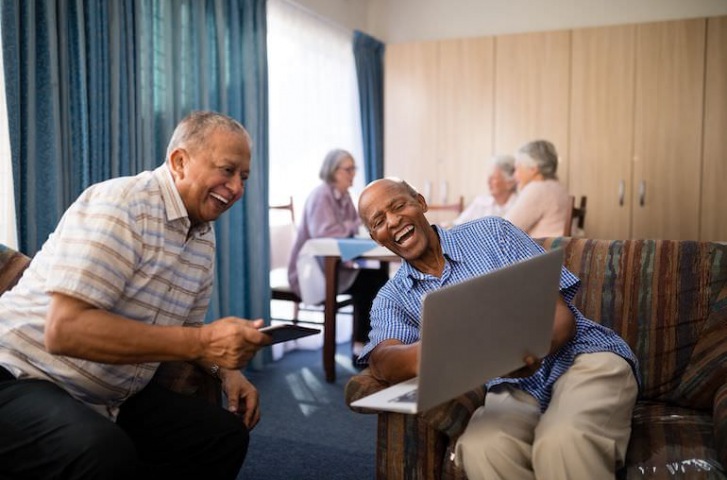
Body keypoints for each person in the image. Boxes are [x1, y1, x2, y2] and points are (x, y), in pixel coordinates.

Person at [0, 111, 272, 479]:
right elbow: (64, 331)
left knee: (222, 436)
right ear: (179, 162)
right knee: (101, 452)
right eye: (227, 170)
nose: (237, 188)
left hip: (110, 396)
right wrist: (202, 342)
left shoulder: (203, 239)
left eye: (243, 177)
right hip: (22, 375)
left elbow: (191, 330)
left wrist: (227, 371)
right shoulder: (122, 204)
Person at [357, 177, 639, 480]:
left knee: (562, 443)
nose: (393, 221)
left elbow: (561, 317)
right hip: (509, 385)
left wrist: (523, 351)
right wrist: (442, 348)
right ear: (376, 237)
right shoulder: (391, 298)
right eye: (379, 221)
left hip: (582, 357)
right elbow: (382, 359)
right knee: (483, 449)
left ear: (421, 203)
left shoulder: (492, 232)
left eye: (398, 206)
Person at [288, 149, 388, 362]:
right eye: (348, 169)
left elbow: (357, 227)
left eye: (354, 169)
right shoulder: (321, 195)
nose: (353, 173)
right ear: (333, 171)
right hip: (313, 271)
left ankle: (367, 344)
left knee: (377, 281)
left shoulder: (345, 197)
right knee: (372, 283)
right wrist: (355, 225)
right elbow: (324, 235)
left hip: (335, 268)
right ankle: (361, 347)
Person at [504, 139, 572, 237]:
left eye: (517, 168)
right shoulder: (558, 187)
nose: (515, 175)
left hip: (543, 250)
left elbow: (505, 229)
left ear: (533, 168)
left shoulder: (537, 189)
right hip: (559, 248)